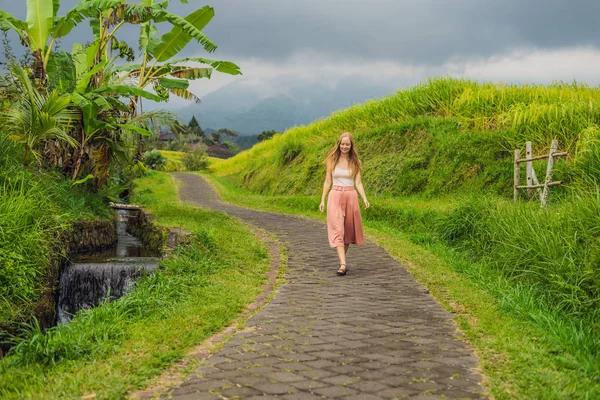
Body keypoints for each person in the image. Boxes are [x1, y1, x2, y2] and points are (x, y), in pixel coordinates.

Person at [319, 132, 370, 276]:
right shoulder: (331, 160)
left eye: (347, 144)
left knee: (347, 230)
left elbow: (358, 182)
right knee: (337, 229)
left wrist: (364, 198)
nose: (345, 146)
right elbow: (328, 181)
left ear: (351, 145)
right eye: (342, 144)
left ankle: (342, 261)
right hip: (335, 195)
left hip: (351, 196)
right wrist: (323, 199)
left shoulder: (356, 162)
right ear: (338, 144)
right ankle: (343, 264)